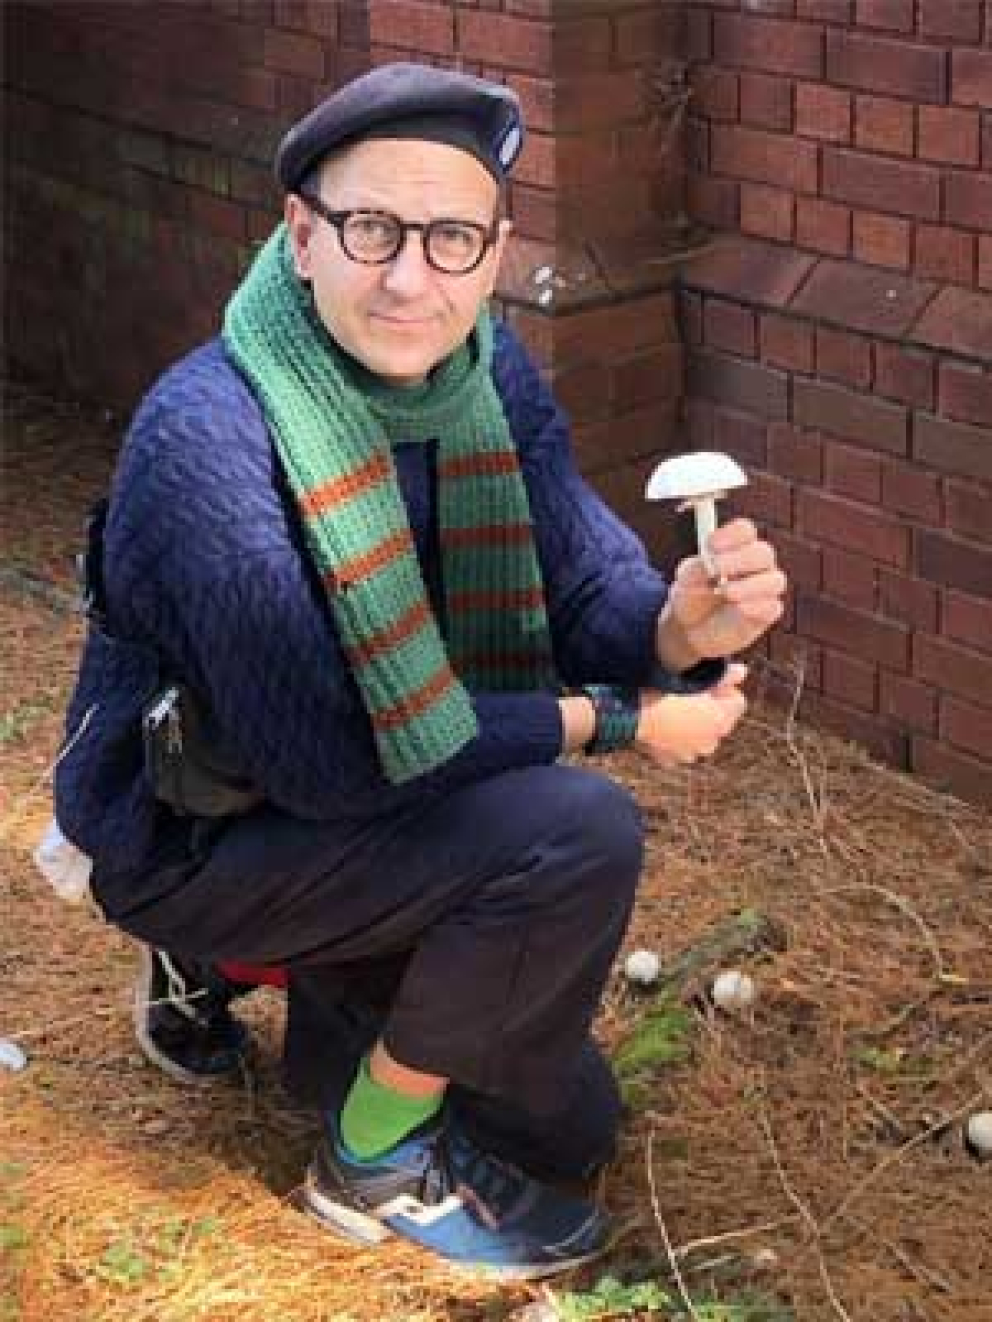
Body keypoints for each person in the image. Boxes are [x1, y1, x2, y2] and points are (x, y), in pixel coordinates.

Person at [53, 62, 786, 1278]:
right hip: (205, 825)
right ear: (301, 234)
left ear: (493, 253)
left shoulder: (487, 379)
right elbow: (333, 756)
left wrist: (677, 630)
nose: (408, 277)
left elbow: (587, 583)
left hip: (371, 796)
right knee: (574, 830)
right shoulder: (209, 436)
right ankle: (365, 1160)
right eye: (370, 228)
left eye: (450, 237)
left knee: (562, 1128)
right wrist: (610, 720)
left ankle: (293, 963)